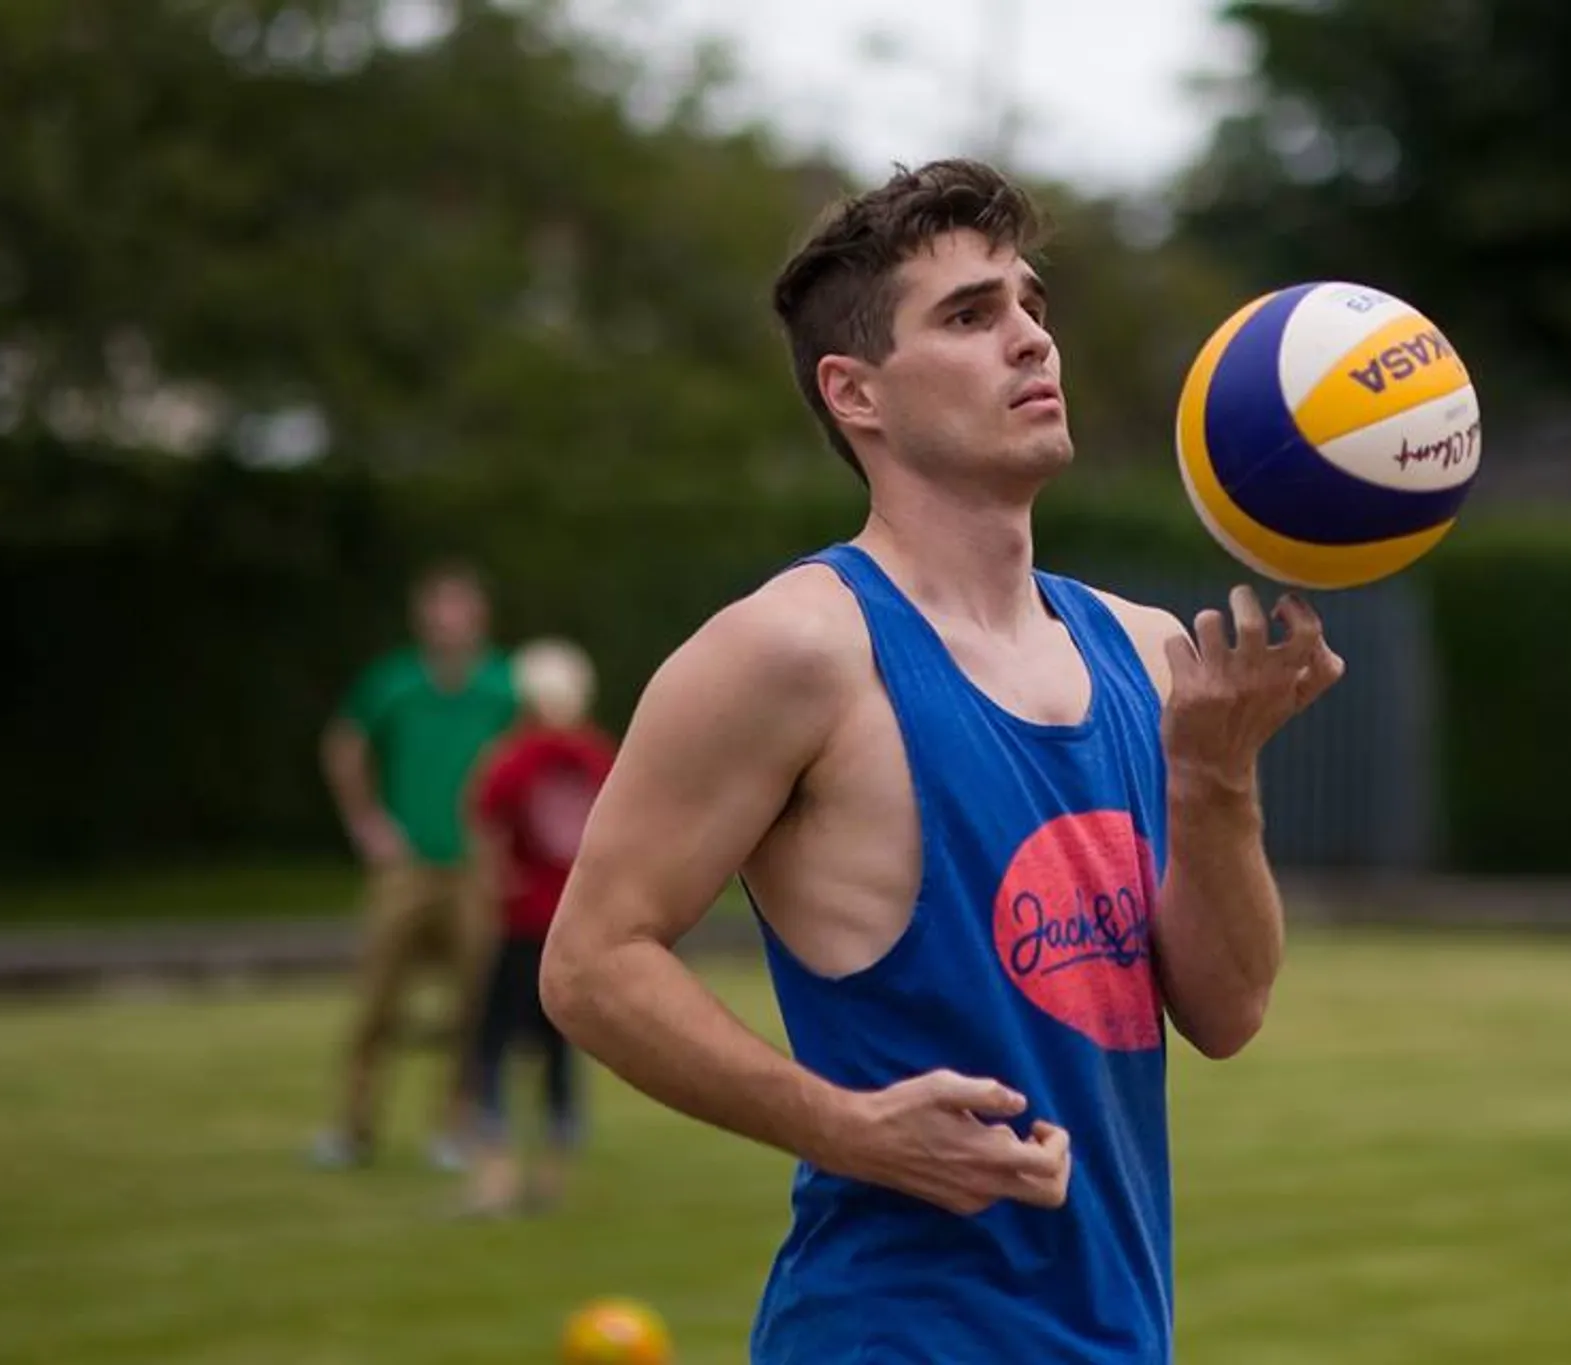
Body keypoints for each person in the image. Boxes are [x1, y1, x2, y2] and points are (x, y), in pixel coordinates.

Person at [538, 160, 1344, 1363]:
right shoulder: (794, 650)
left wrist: (1215, 780)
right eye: (969, 316)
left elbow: (1225, 1011)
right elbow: (590, 964)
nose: (1029, 340)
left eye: (1028, 304)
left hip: (1116, 1335)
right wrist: (849, 1129)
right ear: (853, 392)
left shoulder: (1145, 649)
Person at [311, 560, 517, 1172]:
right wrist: (368, 824)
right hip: (406, 869)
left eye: (461, 607)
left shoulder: (505, 687)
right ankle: (353, 1127)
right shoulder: (395, 682)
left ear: (479, 616)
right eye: (439, 607)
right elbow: (344, 745)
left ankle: (455, 1125)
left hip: (476, 870)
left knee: (477, 1002)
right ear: (423, 616)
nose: (450, 620)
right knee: (376, 997)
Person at [457, 637, 617, 1218]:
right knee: (559, 1051)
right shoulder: (599, 756)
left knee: (493, 1046)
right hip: (572, 927)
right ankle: (552, 1177)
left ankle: (495, 1178)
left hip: (521, 925)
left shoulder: (513, 757)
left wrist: (494, 890)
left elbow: (484, 832)